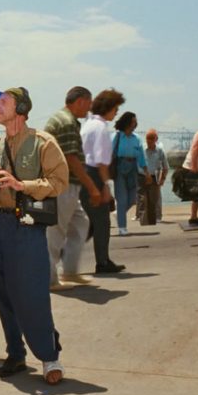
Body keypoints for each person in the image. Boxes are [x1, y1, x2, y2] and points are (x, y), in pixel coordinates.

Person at [0, 87, 68, 384]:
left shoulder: (43, 143)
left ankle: (50, 357)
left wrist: (22, 185)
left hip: (25, 227)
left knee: (31, 294)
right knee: (0, 290)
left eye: (3, 102)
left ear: (21, 109)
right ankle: (15, 353)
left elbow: (59, 182)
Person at [44, 86, 100, 290]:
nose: (89, 108)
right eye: (88, 103)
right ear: (80, 101)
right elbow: (71, 158)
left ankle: (69, 271)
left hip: (66, 184)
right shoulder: (67, 123)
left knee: (80, 224)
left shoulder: (64, 119)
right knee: (56, 232)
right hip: (63, 184)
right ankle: (49, 279)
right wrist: (92, 187)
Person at [80, 89, 127, 273]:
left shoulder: (88, 124)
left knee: (91, 223)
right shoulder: (100, 128)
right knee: (101, 222)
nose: (116, 113)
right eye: (115, 109)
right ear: (108, 108)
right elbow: (101, 161)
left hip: (84, 174)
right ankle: (102, 262)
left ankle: (65, 253)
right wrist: (106, 186)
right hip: (94, 175)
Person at [112, 112, 151, 236]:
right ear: (127, 122)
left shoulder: (137, 138)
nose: (135, 124)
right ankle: (122, 228)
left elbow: (141, 157)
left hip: (133, 168)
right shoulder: (117, 136)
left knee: (133, 199)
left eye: (135, 121)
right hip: (119, 167)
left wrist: (146, 172)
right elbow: (109, 153)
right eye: (133, 121)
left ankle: (119, 213)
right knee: (122, 199)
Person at [137, 129, 168, 224]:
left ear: (156, 139)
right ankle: (143, 219)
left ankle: (157, 218)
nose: (149, 140)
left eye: (151, 138)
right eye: (147, 138)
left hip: (154, 177)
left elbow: (165, 167)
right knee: (142, 199)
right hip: (141, 176)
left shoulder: (160, 151)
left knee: (154, 199)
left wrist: (162, 179)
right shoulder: (141, 149)